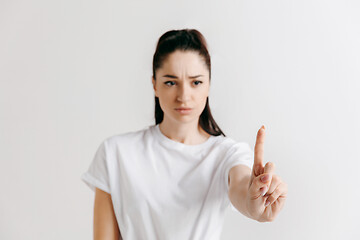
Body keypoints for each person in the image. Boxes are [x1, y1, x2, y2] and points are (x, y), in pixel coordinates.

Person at [81, 29, 288, 240]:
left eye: (196, 82)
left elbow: (241, 187)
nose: (183, 96)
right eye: (171, 82)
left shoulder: (227, 154)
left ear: (209, 84)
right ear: (154, 85)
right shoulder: (116, 153)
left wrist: (255, 202)